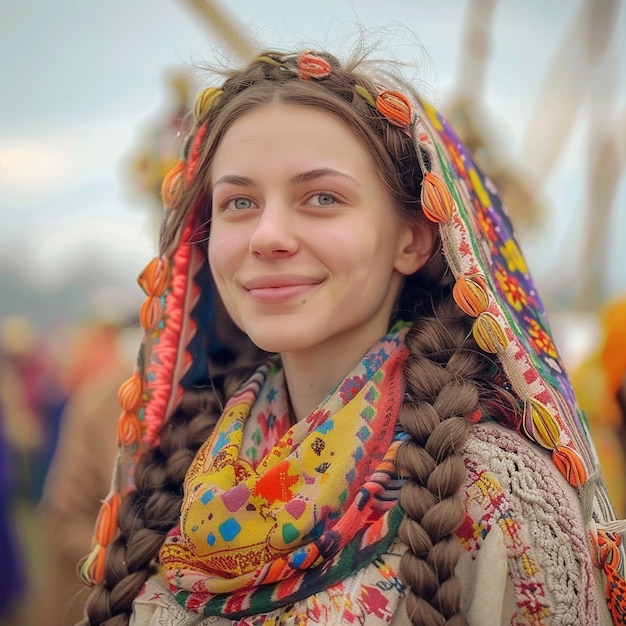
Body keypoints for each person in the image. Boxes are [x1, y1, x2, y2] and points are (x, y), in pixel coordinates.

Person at [76, 46, 626, 626]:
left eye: (322, 198)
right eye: (239, 202)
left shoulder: (496, 497)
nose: (267, 235)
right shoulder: (178, 475)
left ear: (411, 239)